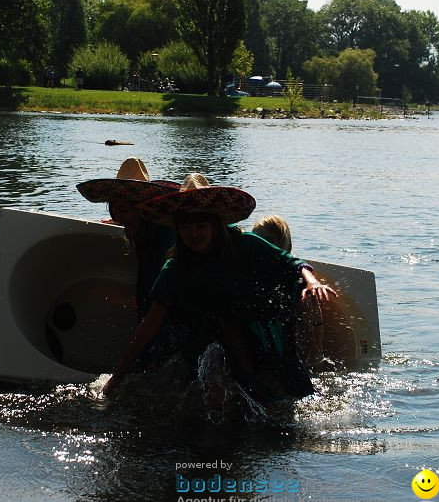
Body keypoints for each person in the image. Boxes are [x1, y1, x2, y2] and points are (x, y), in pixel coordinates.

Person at [103, 173, 337, 407]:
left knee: (271, 306)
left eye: (201, 226)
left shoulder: (243, 243)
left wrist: (312, 282)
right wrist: (118, 376)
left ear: (215, 225)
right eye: (186, 228)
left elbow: (290, 262)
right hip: (201, 338)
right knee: (213, 368)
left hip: (251, 329)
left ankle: (260, 388)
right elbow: (150, 325)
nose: (193, 235)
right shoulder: (175, 268)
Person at [76, 157, 178, 321]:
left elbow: (158, 311)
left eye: (123, 210)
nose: (119, 218)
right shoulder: (144, 228)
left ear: (144, 209)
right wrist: (119, 218)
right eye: (115, 210)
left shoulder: (164, 240)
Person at [251, 214, 324, 368]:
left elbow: (314, 329)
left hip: (289, 359)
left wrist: (312, 365)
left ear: (283, 243)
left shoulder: (299, 282)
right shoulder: (250, 276)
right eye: (258, 241)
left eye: (269, 241)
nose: (264, 247)